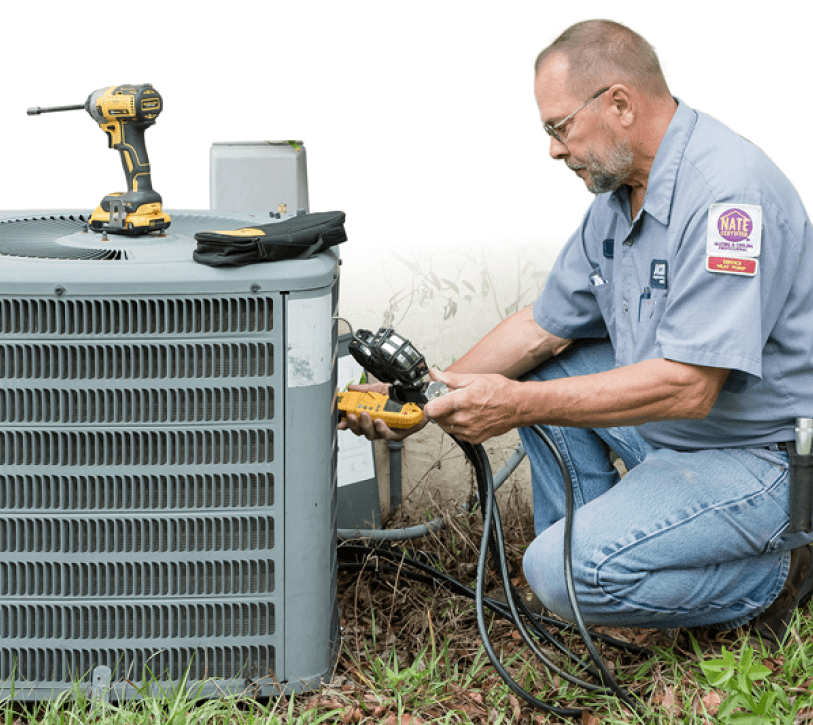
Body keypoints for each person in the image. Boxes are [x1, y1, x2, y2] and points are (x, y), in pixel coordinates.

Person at [339, 19, 813, 647]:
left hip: (759, 459)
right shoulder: (619, 201)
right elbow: (541, 329)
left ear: (618, 103)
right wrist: (424, 395)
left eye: (558, 128)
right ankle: (610, 578)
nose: (555, 150)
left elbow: (690, 387)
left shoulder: (728, 198)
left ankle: (774, 574)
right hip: (678, 438)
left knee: (553, 571)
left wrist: (514, 405)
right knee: (540, 372)